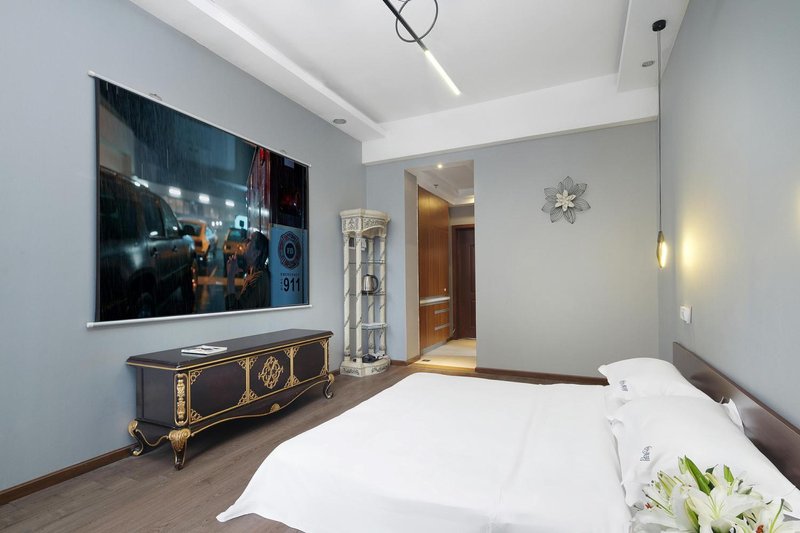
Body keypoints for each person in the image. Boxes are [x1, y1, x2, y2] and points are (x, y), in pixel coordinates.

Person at [225, 230, 271, 310]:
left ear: (256, 253)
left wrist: (230, 276)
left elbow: (235, 311)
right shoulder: (253, 273)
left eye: (250, 240)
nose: (245, 241)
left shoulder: (258, 280)